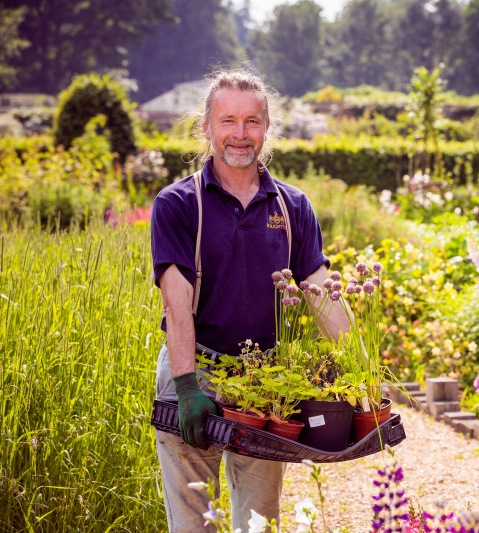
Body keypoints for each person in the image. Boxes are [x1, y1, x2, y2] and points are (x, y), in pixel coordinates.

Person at [150, 67, 349, 533]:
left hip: (265, 385)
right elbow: (176, 304)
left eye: (252, 121)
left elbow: (320, 291)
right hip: (194, 372)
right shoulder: (179, 205)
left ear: (267, 127)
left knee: (259, 523)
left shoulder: (292, 206)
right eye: (227, 121)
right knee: (193, 524)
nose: (240, 134)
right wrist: (185, 387)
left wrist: (361, 368)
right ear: (207, 128)